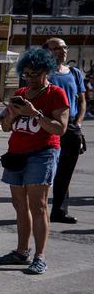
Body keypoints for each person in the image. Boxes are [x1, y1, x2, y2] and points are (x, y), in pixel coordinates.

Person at [0, 48, 69, 276]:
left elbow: (60, 129)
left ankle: (40, 256)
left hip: (42, 153)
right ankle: (21, 251)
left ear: (46, 71)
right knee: (19, 205)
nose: (30, 78)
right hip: (16, 153)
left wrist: (35, 113)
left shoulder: (56, 94)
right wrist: (11, 115)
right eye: (26, 73)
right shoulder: (21, 92)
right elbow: (5, 127)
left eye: (34, 73)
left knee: (38, 206)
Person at [44, 38, 86, 224]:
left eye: (64, 47)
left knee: (66, 170)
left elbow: (82, 100)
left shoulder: (75, 73)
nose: (62, 51)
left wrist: (78, 123)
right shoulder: (44, 73)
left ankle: (59, 210)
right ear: (48, 51)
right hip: (50, 124)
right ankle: (38, 208)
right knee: (45, 167)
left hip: (71, 125)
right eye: (57, 48)